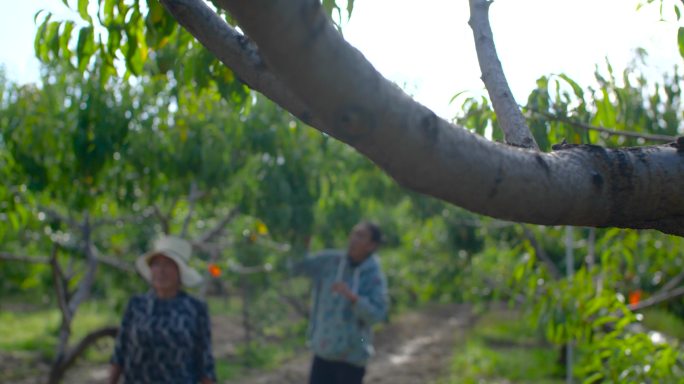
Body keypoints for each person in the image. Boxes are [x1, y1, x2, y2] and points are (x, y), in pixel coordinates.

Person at [108, 235, 216, 384]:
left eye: (168, 265)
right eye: (156, 264)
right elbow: (120, 351)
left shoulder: (195, 308)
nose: (161, 271)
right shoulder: (136, 304)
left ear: (180, 272)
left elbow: (205, 360)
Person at [294, 221, 389, 384]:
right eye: (353, 233)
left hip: (353, 356)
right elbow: (298, 268)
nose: (353, 239)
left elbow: (377, 315)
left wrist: (354, 299)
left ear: (371, 246)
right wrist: (301, 247)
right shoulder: (331, 262)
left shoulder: (374, 276)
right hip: (323, 351)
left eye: (360, 236)